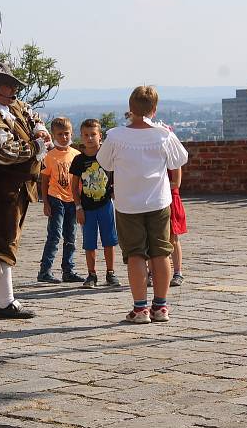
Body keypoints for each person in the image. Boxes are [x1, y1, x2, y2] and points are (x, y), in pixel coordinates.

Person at [0, 62, 51, 319]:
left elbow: (32, 115)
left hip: (15, 186)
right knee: (3, 242)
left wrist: (40, 130)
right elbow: (2, 152)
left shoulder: (10, 105)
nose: (14, 88)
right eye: (9, 84)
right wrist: (35, 147)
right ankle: (6, 302)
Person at [98, 86, 188, 324]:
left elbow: (104, 162)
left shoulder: (116, 136)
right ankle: (161, 306)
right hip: (158, 200)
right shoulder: (163, 134)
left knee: (135, 254)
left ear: (130, 109)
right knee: (161, 253)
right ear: (154, 109)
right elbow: (180, 159)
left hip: (128, 204)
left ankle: (140, 309)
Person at [69, 118, 120, 288]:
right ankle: (92, 274)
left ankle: (110, 273)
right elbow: (74, 186)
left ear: (100, 136)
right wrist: (78, 207)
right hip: (87, 207)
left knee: (109, 240)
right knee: (89, 242)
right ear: (81, 137)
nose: (89, 138)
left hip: (105, 204)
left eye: (93, 134)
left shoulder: (106, 157)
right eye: (86, 135)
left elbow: (115, 175)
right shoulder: (78, 160)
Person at [38, 117, 84, 284]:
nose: (64, 137)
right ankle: (45, 270)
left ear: (71, 134)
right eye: (60, 134)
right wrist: (45, 202)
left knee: (71, 236)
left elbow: (80, 180)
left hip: (72, 199)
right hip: (56, 198)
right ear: (53, 135)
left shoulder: (76, 155)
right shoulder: (49, 156)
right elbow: (44, 179)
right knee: (55, 235)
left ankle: (68, 269)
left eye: (67, 134)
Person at [168, 167, 187, 286]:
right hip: (153, 199)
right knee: (152, 238)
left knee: (172, 238)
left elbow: (176, 182)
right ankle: (151, 271)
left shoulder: (173, 156)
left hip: (170, 199)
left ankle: (178, 272)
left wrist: (155, 185)